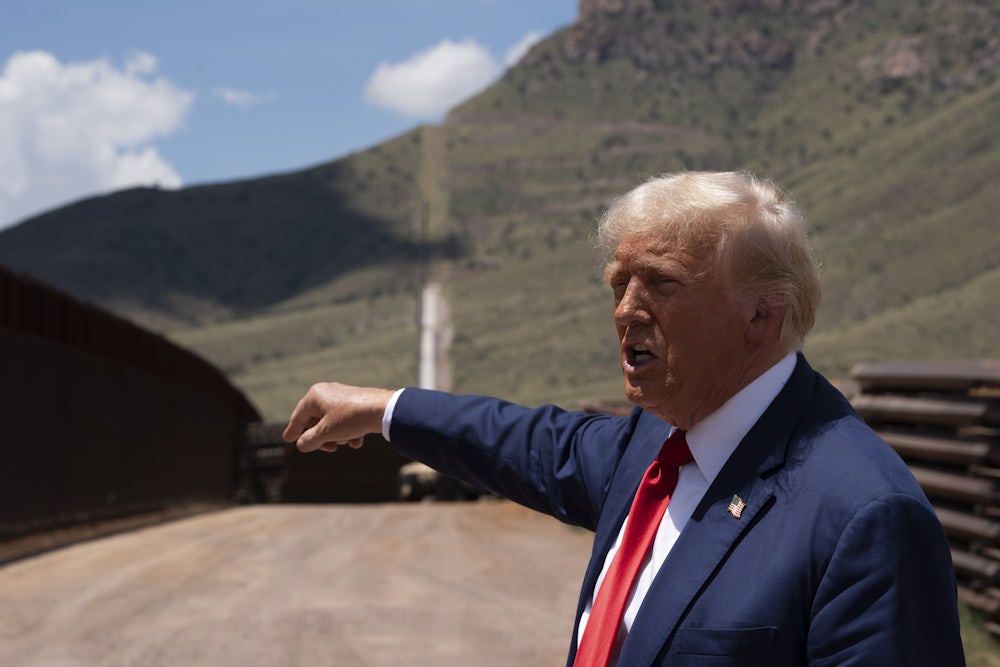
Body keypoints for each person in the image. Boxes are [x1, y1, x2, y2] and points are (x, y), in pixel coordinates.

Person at [284, 171, 965, 666]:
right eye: (619, 283)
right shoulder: (656, 444)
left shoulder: (863, 515)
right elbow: (524, 442)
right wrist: (385, 409)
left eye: (662, 283)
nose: (626, 310)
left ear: (763, 313)